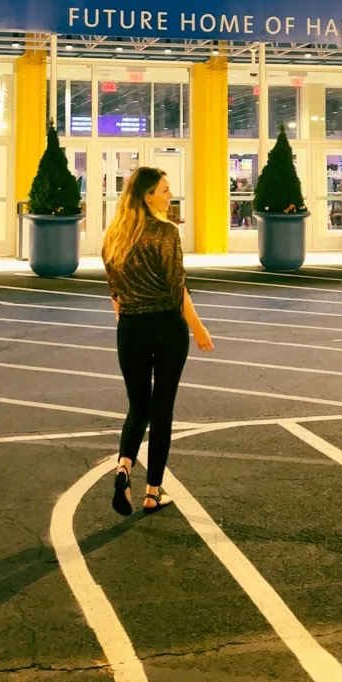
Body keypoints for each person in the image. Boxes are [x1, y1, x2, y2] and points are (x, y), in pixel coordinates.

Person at [102, 166, 214, 515]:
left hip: (131, 329)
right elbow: (176, 287)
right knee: (162, 408)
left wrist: (128, 319)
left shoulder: (114, 235)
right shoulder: (166, 232)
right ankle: (152, 492)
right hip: (166, 326)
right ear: (148, 195)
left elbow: (115, 294)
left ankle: (124, 465)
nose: (170, 196)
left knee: (138, 407)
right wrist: (198, 328)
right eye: (164, 190)